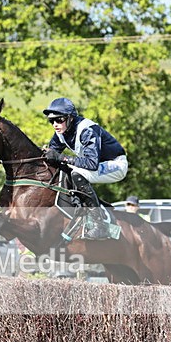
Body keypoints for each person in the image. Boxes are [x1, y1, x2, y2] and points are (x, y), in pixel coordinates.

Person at [40, 97, 128, 240]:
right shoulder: (61, 132)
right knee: (63, 168)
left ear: (70, 118)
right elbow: (51, 154)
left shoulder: (87, 130)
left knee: (76, 173)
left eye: (59, 120)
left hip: (115, 165)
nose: (55, 125)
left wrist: (62, 157)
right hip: (98, 165)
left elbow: (91, 164)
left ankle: (100, 226)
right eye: (52, 121)